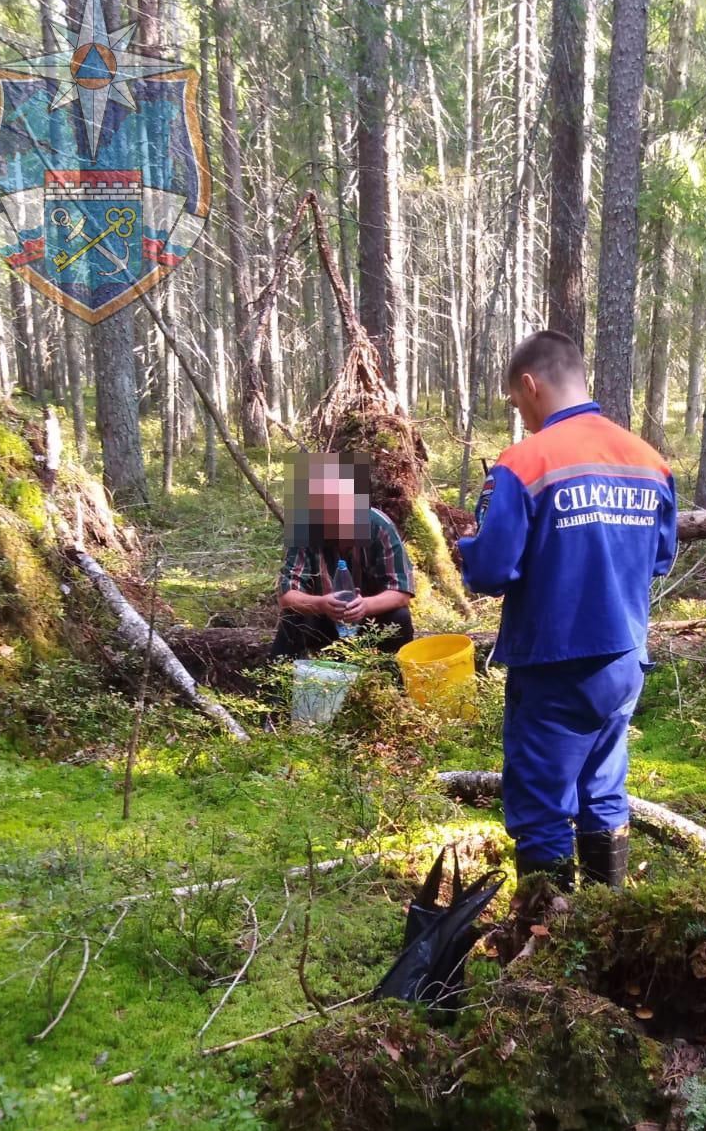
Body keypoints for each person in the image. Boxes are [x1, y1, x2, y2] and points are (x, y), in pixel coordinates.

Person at [458, 330, 678, 890]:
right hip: (623, 662)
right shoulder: (649, 462)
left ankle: (548, 943)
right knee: (603, 790)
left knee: (541, 806)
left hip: (554, 663)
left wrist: (468, 543)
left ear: (529, 386)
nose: (521, 415)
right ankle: (610, 925)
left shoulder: (524, 464)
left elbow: (488, 572)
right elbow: (660, 557)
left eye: (515, 402)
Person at [271, 451, 415, 660]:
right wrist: (321, 604)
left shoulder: (379, 527)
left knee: (400, 618)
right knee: (293, 619)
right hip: (323, 621)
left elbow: (401, 592)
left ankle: (394, 681)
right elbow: (287, 596)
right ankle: (276, 688)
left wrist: (365, 606)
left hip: (370, 621)